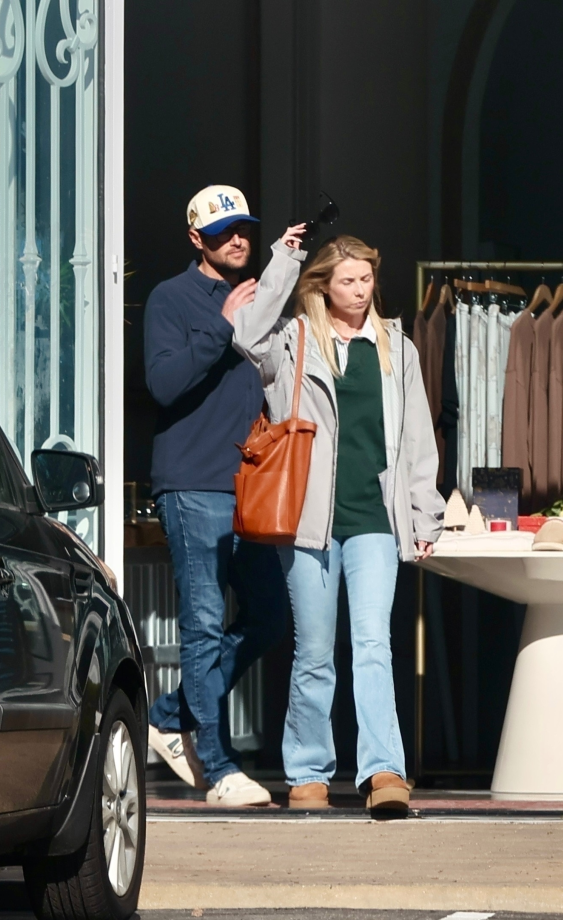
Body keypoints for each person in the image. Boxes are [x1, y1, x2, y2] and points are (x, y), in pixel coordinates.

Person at [233, 230, 445, 814]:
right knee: (315, 651)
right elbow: (245, 333)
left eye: (366, 278)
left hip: (375, 517)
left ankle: (383, 773)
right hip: (307, 520)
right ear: (323, 286)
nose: (359, 289)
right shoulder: (296, 340)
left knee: (374, 645)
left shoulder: (396, 347)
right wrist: (285, 259)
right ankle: (307, 772)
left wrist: (425, 512)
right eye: (347, 280)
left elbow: (417, 441)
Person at [144, 185, 287, 807]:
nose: (238, 239)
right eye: (225, 230)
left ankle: (170, 715)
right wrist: (224, 326)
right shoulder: (170, 298)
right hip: (192, 485)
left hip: (250, 486)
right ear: (196, 238)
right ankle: (219, 765)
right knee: (202, 625)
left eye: (245, 229)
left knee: (270, 617)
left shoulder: (263, 298)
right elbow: (165, 383)